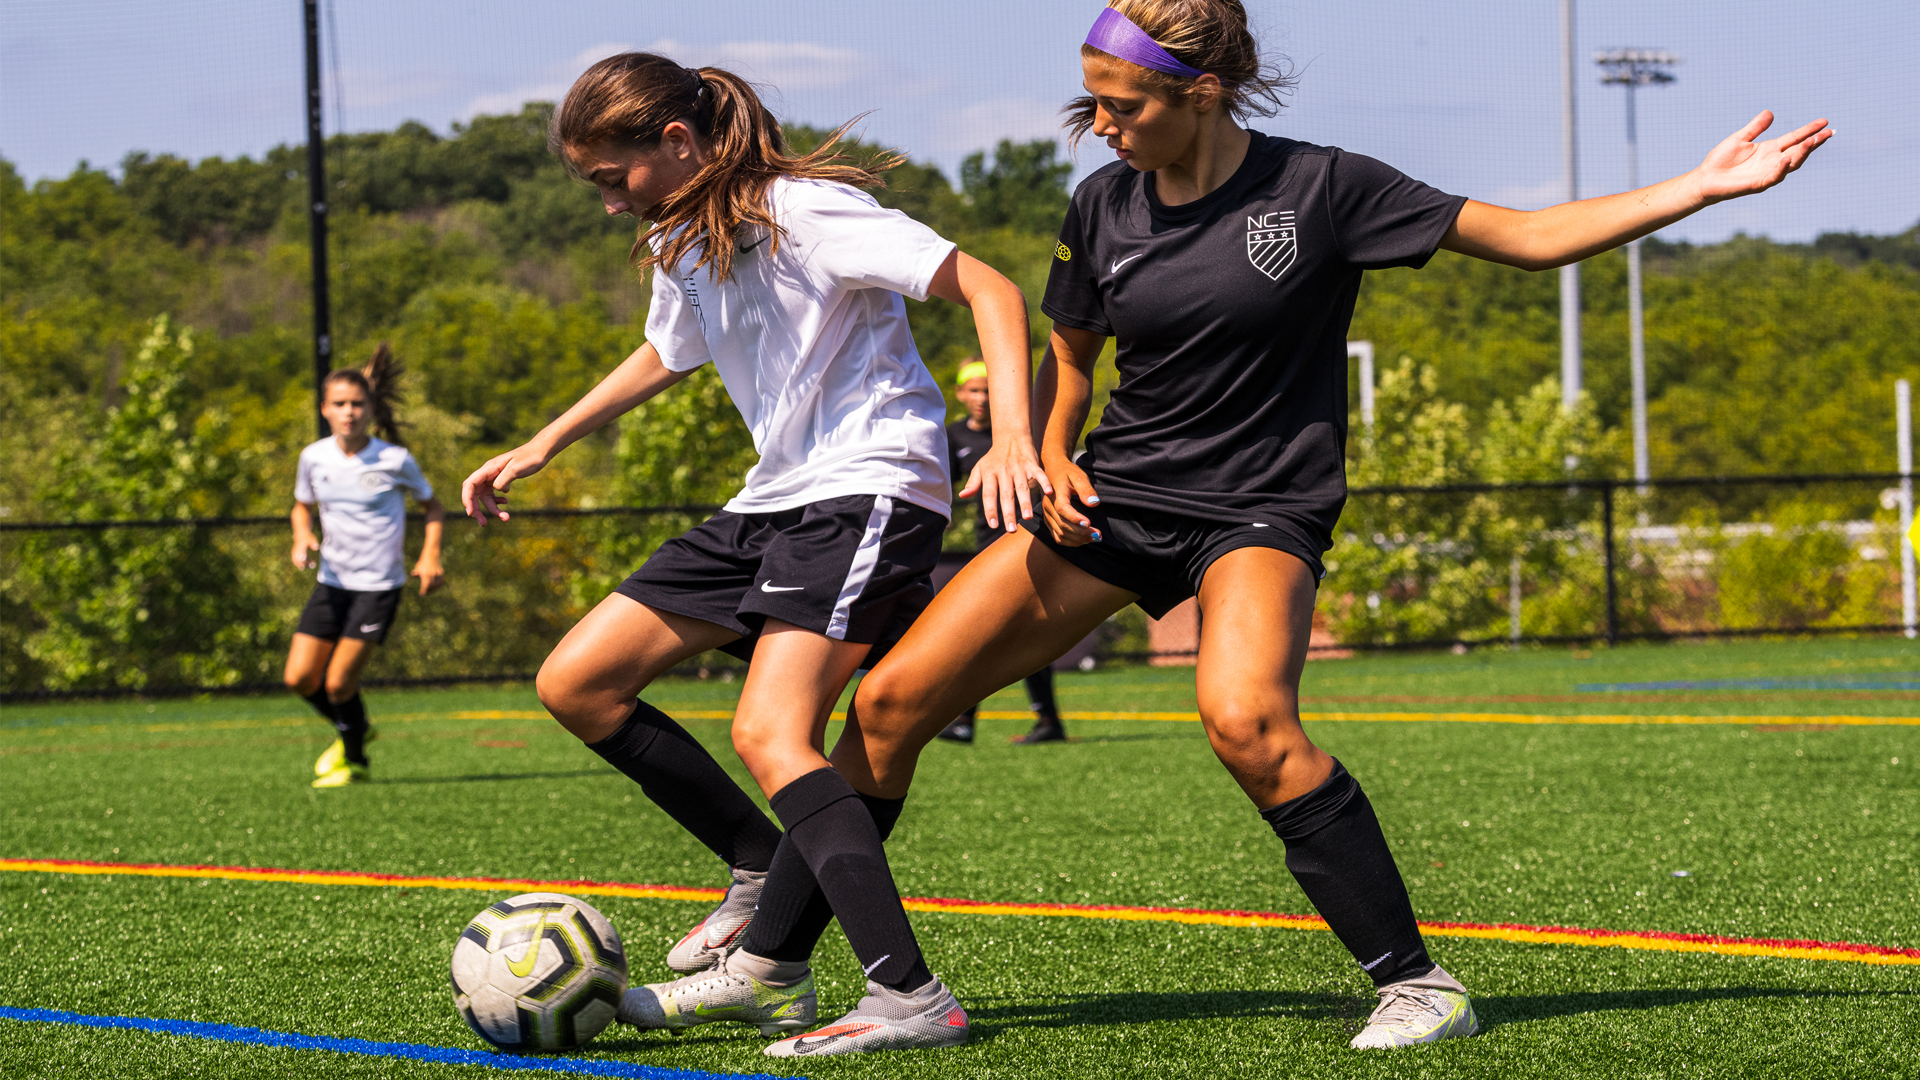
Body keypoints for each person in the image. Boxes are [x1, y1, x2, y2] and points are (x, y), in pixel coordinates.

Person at [836, 0, 1832, 1052]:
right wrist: (1043, 447)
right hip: (1119, 500)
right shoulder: (1101, 203)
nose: (1103, 126)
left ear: (1203, 92)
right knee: (891, 701)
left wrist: (1700, 186)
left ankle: (1416, 983)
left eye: (1123, 106)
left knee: (1245, 720)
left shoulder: (1325, 187)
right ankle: (782, 967)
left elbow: (1530, 239)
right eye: (1094, 103)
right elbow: (1072, 354)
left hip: (1258, 509)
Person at [459, 52, 1046, 1057]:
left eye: (614, 177)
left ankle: (908, 994)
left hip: (867, 489)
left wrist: (1014, 436)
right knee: (579, 681)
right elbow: (667, 351)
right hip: (772, 503)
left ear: (677, 143)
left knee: (773, 733)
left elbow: (989, 289)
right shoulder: (682, 235)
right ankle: (756, 871)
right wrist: (544, 442)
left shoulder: (808, 210)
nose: (609, 204)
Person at [285, 345, 445, 789]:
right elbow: (301, 506)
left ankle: (354, 761)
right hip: (331, 583)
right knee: (298, 678)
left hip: (377, 588)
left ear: (371, 409)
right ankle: (354, 726)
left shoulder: (395, 460)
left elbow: (433, 508)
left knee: (338, 685)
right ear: (325, 409)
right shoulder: (313, 457)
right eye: (339, 404)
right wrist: (303, 535)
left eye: (357, 404)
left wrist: (429, 554)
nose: (349, 412)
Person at [936, 359, 1067, 745]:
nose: (981, 398)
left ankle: (972, 721)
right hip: (985, 544)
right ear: (961, 394)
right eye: (974, 390)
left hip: (1026, 539)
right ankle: (1041, 723)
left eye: (989, 391)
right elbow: (944, 485)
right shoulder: (954, 435)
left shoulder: (1015, 436)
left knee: (1005, 632)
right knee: (991, 633)